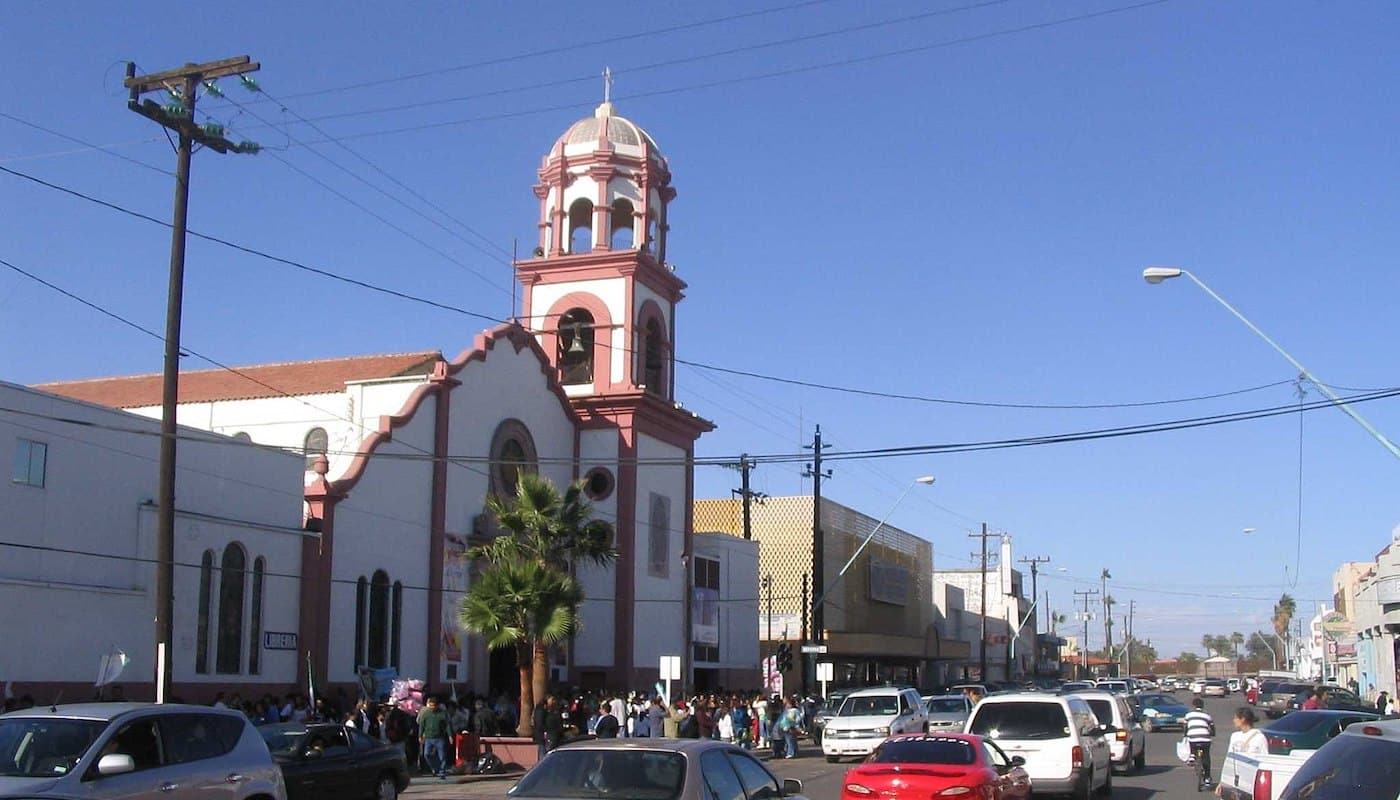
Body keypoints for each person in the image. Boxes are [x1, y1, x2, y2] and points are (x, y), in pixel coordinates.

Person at [1216, 708, 1267, 797]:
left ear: (1243, 719)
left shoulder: (1259, 738)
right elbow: (1229, 760)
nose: (1233, 720)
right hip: (1235, 781)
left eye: (1236, 718)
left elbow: (1265, 761)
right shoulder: (1235, 736)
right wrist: (1222, 782)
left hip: (1250, 782)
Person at [1183, 698, 1216, 790]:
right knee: (1206, 757)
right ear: (1202, 706)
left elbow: (1185, 726)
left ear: (1193, 705)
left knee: (1192, 741)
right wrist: (1213, 733)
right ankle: (1207, 779)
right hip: (1204, 738)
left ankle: (1192, 755)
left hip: (1193, 737)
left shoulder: (1188, 715)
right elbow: (1212, 726)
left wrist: (1185, 734)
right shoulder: (1207, 715)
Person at [417, 696, 450, 779]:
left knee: (442, 756)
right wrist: (420, 736)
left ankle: (442, 772)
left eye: (433, 705)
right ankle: (435, 768)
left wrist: (450, 735)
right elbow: (421, 725)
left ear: (437, 705)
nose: (432, 707)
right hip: (428, 738)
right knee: (426, 754)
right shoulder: (425, 714)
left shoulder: (442, 713)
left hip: (439, 738)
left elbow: (447, 725)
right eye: (430, 705)